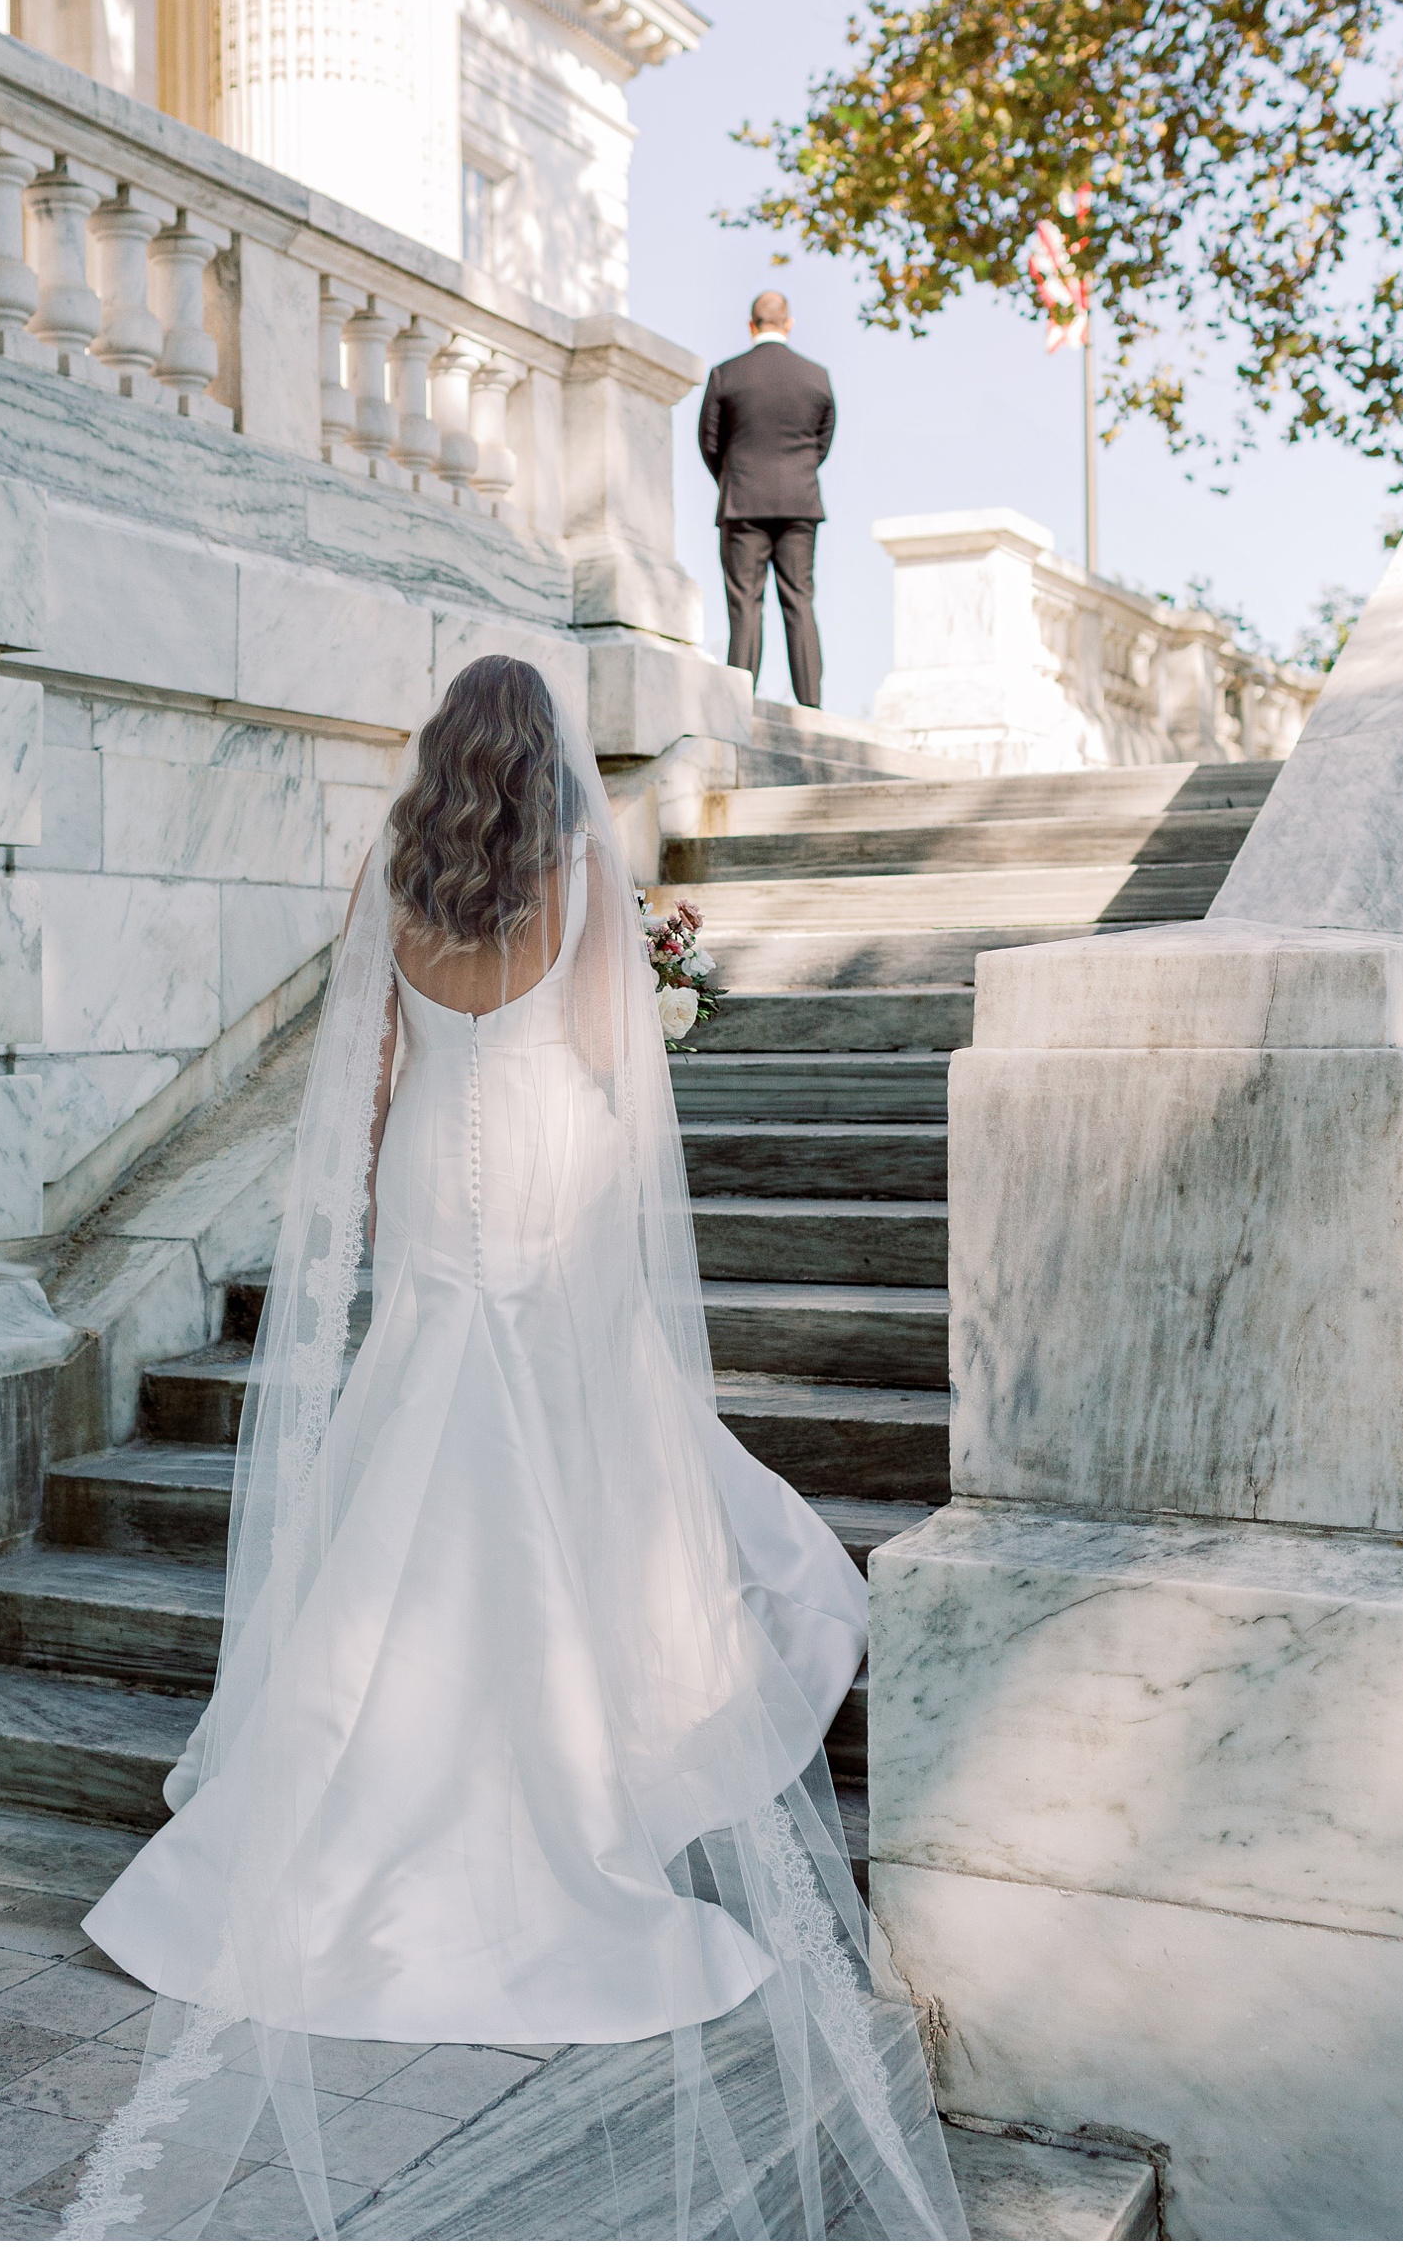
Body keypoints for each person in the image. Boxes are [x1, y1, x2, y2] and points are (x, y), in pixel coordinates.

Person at [65, 657, 964, 2244]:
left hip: (429, 1179)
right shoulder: (577, 878)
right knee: (578, 1440)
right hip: (550, 1170)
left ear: (441, 758)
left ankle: (350, 1769)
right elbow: (622, 1068)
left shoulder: (396, 877)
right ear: (548, 763)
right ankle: (575, 1745)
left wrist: (380, 1189)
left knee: (418, 1425)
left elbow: (372, 1076)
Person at [698, 290, 836, 710]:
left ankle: (739, 703)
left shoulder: (726, 375)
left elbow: (709, 441)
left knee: (744, 604)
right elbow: (822, 442)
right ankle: (811, 706)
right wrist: (797, 476)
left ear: (751, 324)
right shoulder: (817, 377)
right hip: (800, 504)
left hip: (742, 503)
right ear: (788, 323)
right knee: (800, 601)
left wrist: (734, 478)